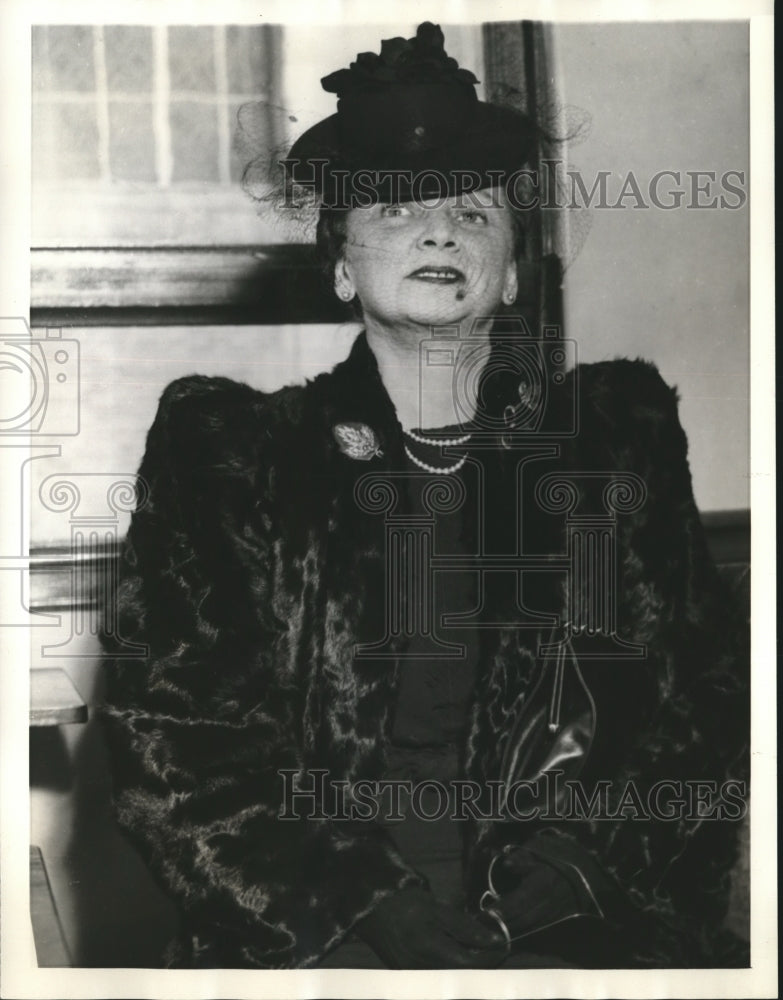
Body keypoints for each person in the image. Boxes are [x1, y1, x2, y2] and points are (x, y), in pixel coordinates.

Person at [101, 22, 749, 970]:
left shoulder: (614, 443)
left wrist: (579, 866)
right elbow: (178, 740)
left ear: (513, 272)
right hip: (319, 938)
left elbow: (703, 695)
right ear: (340, 264)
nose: (441, 230)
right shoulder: (231, 459)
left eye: (475, 215)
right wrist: (365, 905)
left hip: (576, 918)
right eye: (398, 208)